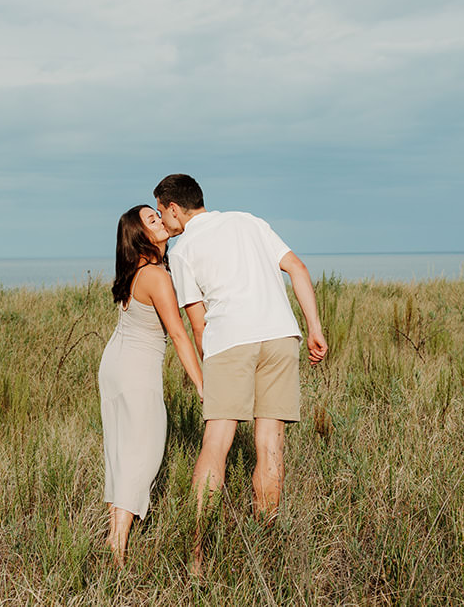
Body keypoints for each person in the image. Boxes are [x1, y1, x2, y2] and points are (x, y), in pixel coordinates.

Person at [152, 173, 327, 571]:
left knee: (217, 442)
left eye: (163, 213)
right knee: (270, 443)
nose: (164, 222)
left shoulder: (181, 252)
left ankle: (197, 555)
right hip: (282, 334)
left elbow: (198, 324)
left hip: (230, 340)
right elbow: (297, 268)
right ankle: (266, 550)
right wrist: (314, 327)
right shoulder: (250, 221)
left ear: (174, 208)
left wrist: (208, 365)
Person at [98, 204, 205, 565]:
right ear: (139, 235)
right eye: (152, 219)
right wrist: (203, 384)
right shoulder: (156, 275)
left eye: (158, 215)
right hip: (134, 371)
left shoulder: (139, 272)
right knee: (142, 454)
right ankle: (117, 544)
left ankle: (115, 539)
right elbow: (178, 333)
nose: (160, 220)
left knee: (121, 455)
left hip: (116, 365)